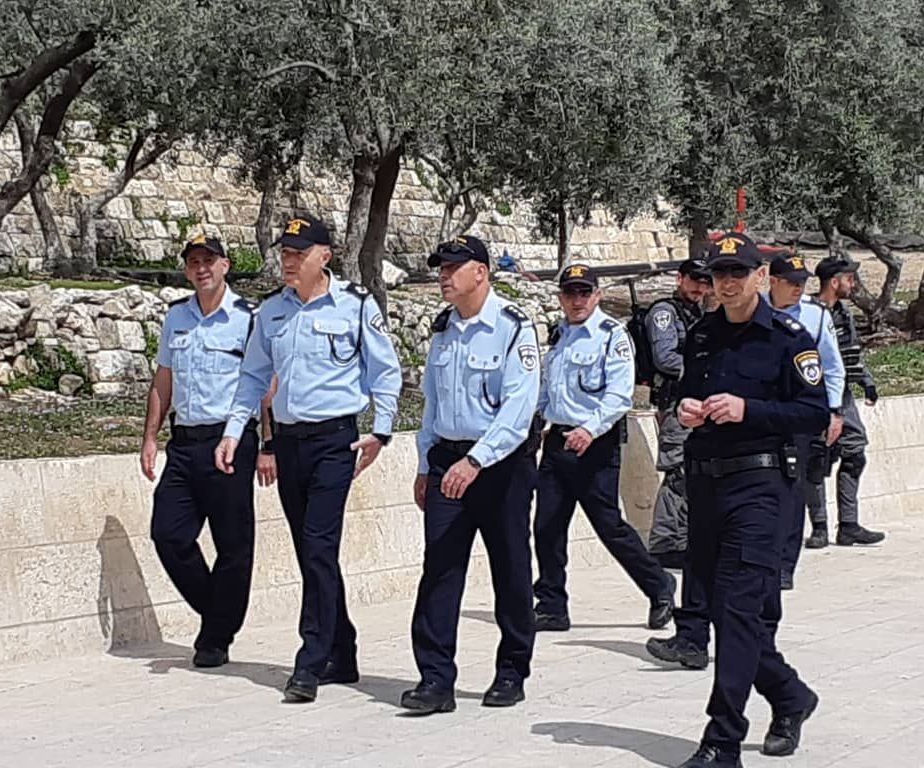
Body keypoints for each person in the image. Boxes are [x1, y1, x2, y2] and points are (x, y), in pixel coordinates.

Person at [214, 215, 403, 703]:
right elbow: (253, 377)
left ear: (325, 256)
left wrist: (382, 430)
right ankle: (343, 648)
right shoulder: (271, 312)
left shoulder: (355, 306)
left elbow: (385, 372)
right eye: (285, 252)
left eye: (299, 253)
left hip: (335, 442)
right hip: (290, 443)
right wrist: (235, 431)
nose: (289, 261)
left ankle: (310, 660)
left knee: (318, 547)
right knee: (310, 552)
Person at [672, 231, 827, 768]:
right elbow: (683, 392)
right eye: (720, 274)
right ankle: (789, 695)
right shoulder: (702, 335)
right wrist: (686, 408)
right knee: (723, 612)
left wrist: (749, 409)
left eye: (739, 272)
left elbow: (814, 413)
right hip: (706, 485)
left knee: (738, 610)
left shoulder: (788, 338)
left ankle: (722, 742)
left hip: (761, 487)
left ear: (761, 276)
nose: (728, 283)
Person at [402, 234, 540, 715]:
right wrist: (426, 464)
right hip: (448, 462)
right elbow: (433, 404)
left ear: (480, 272)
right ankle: (435, 679)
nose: (443, 275)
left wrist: (477, 460)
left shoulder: (512, 327)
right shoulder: (443, 330)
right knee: (439, 569)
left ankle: (512, 670)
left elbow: (518, 409)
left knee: (511, 568)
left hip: (500, 466)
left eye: (453, 267)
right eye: (440, 268)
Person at [141, 234, 266, 669]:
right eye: (194, 262)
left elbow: (264, 385)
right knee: (168, 533)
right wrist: (150, 437)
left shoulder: (248, 318)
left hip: (231, 440)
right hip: (184, 442)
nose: (201, 269)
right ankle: (218, 613)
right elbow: (163, 378)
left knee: (233, 543)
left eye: (209, 261)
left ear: (225, 265)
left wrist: (268, 446)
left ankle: (215, 638)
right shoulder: (177, 316)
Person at [532, 263, 676, 634]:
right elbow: (548, 388)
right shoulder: (559, 336)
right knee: (546, 526)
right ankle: (551, 605)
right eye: (570, 293)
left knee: (609, 526)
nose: (577, 300)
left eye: (584, 292)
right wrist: (541, 420)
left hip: (596, 444)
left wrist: (589, 429)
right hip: (558, 442)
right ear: (560, 297)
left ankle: (659, 586)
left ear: (597, 295)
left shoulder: (612, 336)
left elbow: (619, 395)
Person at [764, 253, 846, 589]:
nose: (799, 289)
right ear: (773, 281)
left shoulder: (816, 315)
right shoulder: (753, 310)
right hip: (760, 414)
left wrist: (834, 411)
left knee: (794, 490)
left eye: (803, 282)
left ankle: (785, 565)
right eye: (792, 282)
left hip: (799, 416)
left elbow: (832, 367)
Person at [805, 257, 886, 549]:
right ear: (834, 281)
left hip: (843, 396)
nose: (853, 285)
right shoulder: (809, 312)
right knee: (816, 460)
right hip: (815, 396)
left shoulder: (843, 313)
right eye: (849, 279)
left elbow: (851, 352)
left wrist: (866, 381)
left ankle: (849, 525)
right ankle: (820, 527)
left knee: (855, 452)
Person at [644, 257, 713, 569]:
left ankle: (684, 541)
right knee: (677, 473)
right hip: (674, 405)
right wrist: (703, 372)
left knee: (693, 471)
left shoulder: (697, 313)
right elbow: (665, 358)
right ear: (680, 279)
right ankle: (665, 544)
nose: (700, 287)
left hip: (695, 404)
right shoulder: (664, 313)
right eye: (695, 280)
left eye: (705, 282)